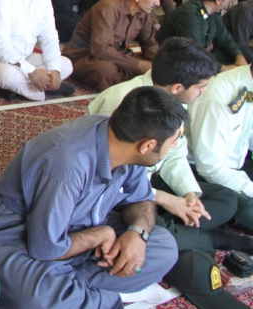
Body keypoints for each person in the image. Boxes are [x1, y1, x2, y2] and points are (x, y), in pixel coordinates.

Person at [0, 87, 183, 309]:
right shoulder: (68, 164)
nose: (175, 145)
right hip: (21, 232)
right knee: (37, 299)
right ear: (147, 146)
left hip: (81, 226)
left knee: (164, 248)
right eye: (174, 140)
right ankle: (92, 294)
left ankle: (72, 289)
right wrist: (100, 234)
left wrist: (138, 233)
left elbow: (140, 198)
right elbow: (45, 247)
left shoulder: (124, 138)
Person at [88, 37, 252, 254]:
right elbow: (106, 176)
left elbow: (175, 153)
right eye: (201, 87)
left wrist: (188, 193)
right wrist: (164, 199)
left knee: (227, 199)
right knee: (168, 240)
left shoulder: (175, 99)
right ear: (177, 87)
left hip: (149, 178)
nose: (205, 91)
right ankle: (203, 236)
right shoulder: (125, 102)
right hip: (115, 189)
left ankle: (178, 228)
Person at [63, 0, 161, 91]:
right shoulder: (109, 7)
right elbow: (101, 50)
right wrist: (138, 65)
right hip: (86, 55)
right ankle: (130, 88)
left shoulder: (144, 12)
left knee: (152, 68)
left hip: (117, 54)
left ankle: (132, 85)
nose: (158, 3)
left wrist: (159, 63)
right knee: (106, 71)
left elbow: (150, 44)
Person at [188, 64, 253, 232]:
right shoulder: (218, 96)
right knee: (249, 212)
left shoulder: (248, 86)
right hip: (202, 172)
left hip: (237, 163)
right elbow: (210, 167)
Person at [157, 0, 246, 70]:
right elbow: (194, 54)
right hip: (174, 62)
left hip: (197, 58)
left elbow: (225, 40)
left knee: (243, 56)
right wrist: (225, 69)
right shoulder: (189, 15)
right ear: (218, 0)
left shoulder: (213, 13)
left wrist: (239, 57)